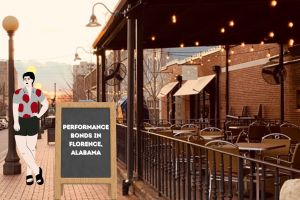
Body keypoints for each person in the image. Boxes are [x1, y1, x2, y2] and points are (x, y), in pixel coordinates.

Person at [13, 72, 49, 185]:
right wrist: (16, 122)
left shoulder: (37, 92)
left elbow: (46, 104)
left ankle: (29, 174)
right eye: (25, 78)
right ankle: (37, 170)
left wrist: (38, 115)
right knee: (22, 148)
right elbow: (15, 108)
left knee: (31, 148)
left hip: (32, 121)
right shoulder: (18, 93)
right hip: (21, 120)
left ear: (32, 80)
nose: (26, 80)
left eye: (28, 78)